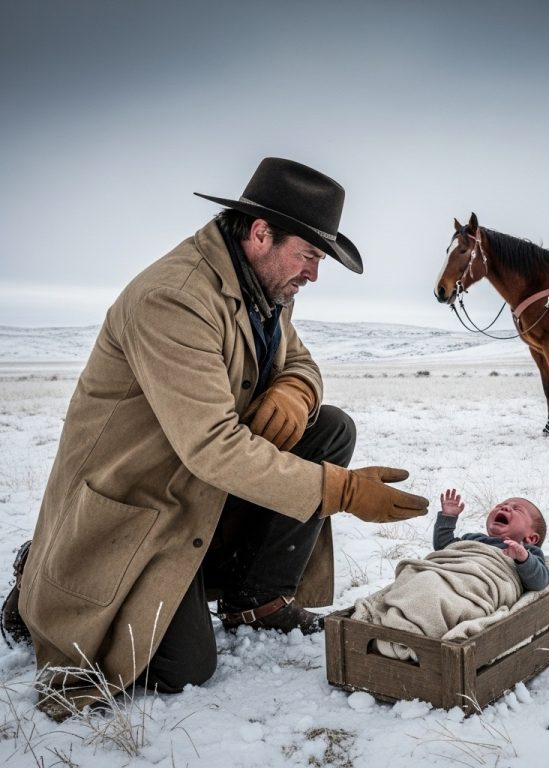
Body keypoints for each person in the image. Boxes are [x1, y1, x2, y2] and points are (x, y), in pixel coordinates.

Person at [3, 157, 429, 712]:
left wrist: (295, 390)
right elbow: (212, 445)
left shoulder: (265, 289)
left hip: (197, 487)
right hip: (144, 501)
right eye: (309, 257)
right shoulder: (174, 298)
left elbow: (299, 360)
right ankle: (46, 572)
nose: (313, 275)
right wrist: (342, 492)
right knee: (183, 669)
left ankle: (257, 600)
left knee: (328, 429)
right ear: (260, 233)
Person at [433, 489, 549, 591]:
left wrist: (524, 559)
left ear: (531, 538)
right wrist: (448, 517)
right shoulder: (473, 539)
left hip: (480, 585)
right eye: (499, 506)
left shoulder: (529, 554)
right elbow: (444, 548)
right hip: (449, 574)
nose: (505, 507)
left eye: (517, 509)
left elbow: (538, 583)